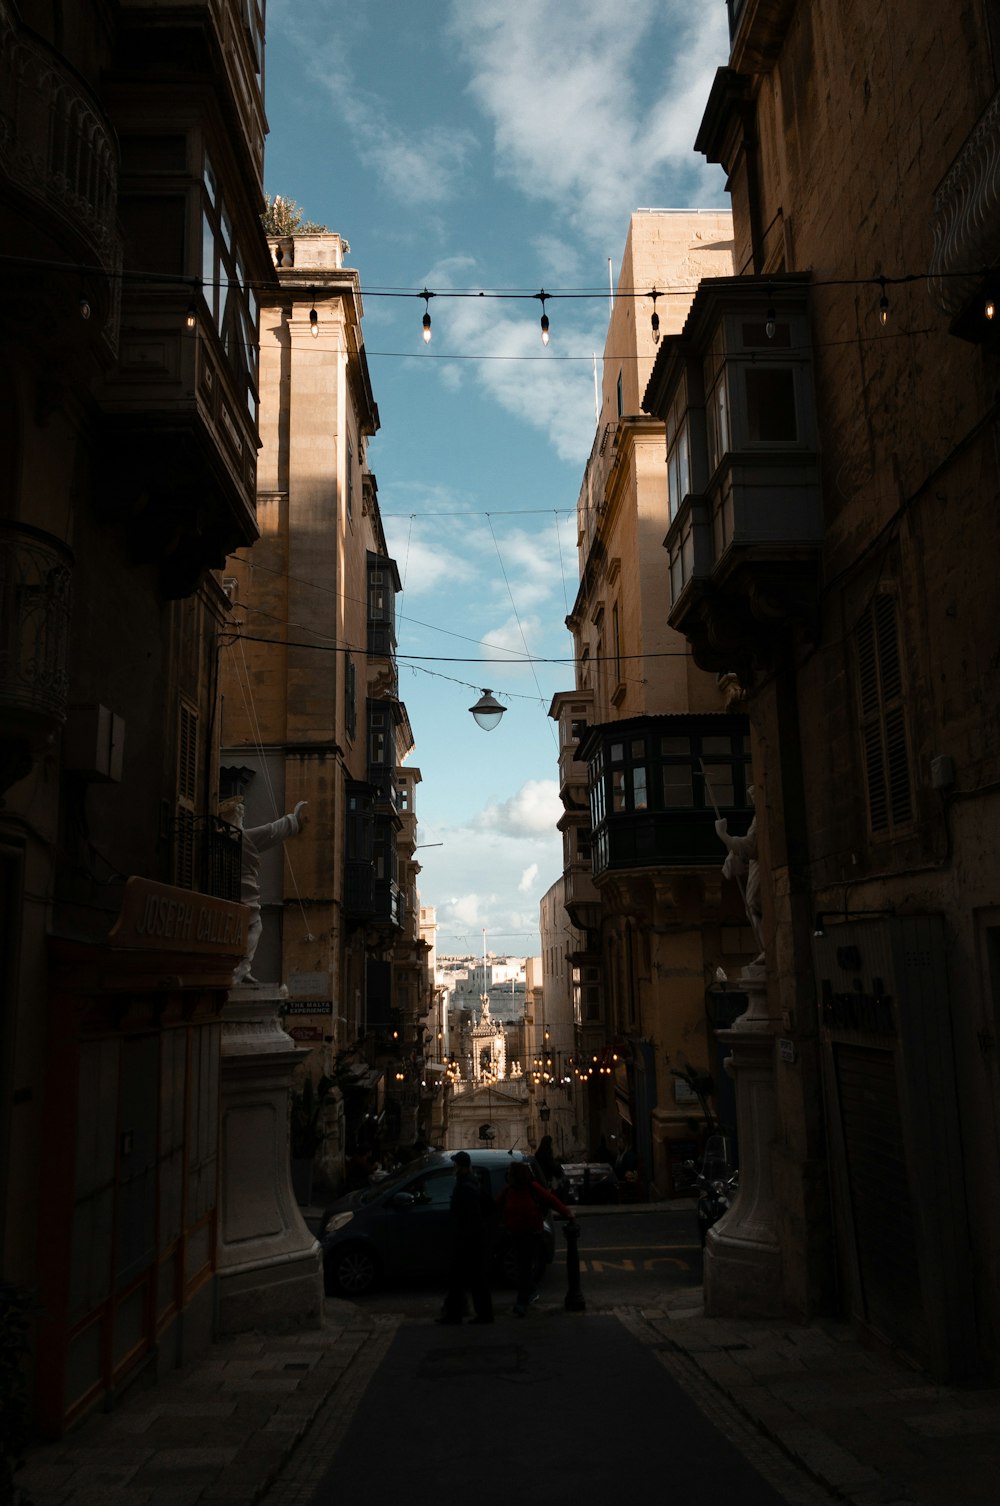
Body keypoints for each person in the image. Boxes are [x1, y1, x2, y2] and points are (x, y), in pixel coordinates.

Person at [219, 797, 308, 985]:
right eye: (240, 814)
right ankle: (241, 968)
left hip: (232, 889)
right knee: (255, 926)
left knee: (239, 928)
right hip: (244, 889)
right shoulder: (241, 838)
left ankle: (241, 967)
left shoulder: (225, 838)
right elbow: (271, 832)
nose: (242, 817)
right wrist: (295, 818)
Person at [496, 1159, 574, 1316]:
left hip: (532, 1234)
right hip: (515, 1233)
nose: (508, 1176)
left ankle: (521, 1303)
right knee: (520, 1265)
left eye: (510, 1173)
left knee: (524, 1266)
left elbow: (551, 1200)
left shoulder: (532, 1188)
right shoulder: (509, 1190)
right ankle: (531, 1291)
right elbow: (496, 1205)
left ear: (517, 1176)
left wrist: (566, 1212)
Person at [438, 1151, 494, 1325]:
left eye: (455, 1164)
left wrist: (464, 1237)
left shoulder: (466, 1186)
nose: (453, 1167)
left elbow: (471, 1215)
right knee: (467, 1278)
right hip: (471, 1238)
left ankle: (468, 1314)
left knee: (468, 1278)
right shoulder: (471, 1181)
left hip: (468, 1239)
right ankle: (460, 1313)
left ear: (461, 1166)